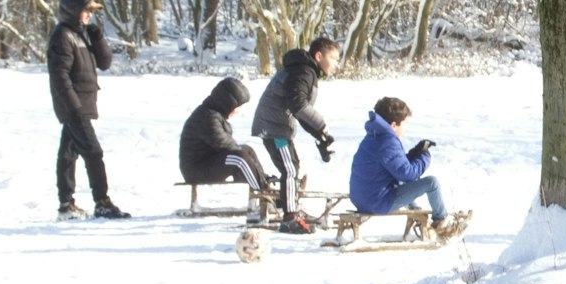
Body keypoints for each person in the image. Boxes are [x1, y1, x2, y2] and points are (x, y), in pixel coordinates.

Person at [47, 0, 129, 219]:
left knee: (68, 154)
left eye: (91, 11)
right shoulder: (63, 35)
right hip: (74, 106)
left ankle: (66, 205)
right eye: (86, 10)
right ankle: (102, 201)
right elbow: (59, 75)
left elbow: (105, 63)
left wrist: (98, 38)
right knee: (93, 152)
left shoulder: (82, 34)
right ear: (73, 10)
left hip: (83, 103)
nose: (89, 15)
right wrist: (73, 107)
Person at [251, 36, 339, 234]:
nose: (336, 64)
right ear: (319, 56)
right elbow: (298, 105)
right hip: (274, 127)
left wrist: (320, 136)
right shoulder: (303, 71)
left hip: (277, 126)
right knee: (290, 169)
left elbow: (300, 111)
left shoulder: (305, 70)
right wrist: (322, 127)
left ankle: (291, 209)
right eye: (333, 58)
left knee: (292, 166)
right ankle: (290, 218)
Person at [349, 96, 470, 241]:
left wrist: (414, 153)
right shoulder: (387, 141)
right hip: (377, 202)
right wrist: (424, 156)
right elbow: (407, 173)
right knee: (432, 183)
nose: (405, 129)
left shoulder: (374, 136)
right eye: (404, 124)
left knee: (405, 179)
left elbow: (395, 165)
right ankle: (443, 226)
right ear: (394, 125)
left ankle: (415, 211)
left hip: (362, 198)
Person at [179, 77, 277, 223]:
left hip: (206, 162)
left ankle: (264, 186)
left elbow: (229, 145)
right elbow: (223, 143)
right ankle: (263, 194)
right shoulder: (207, 117)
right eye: (236, 107)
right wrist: (245, 159)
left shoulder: (213, 114)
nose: (237, 111)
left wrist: (261, 174)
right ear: (227, 103)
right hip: (196, 170)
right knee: (239, 158)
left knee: (246, 150)